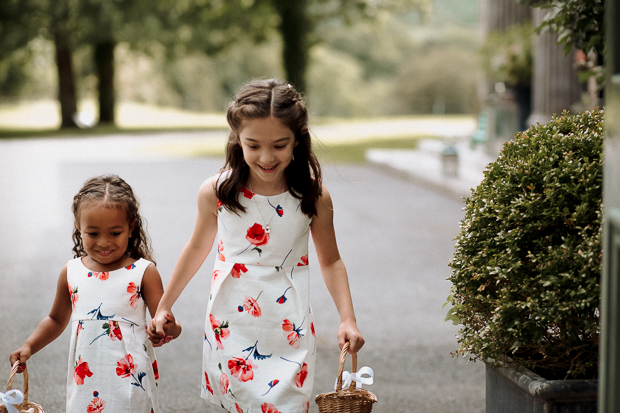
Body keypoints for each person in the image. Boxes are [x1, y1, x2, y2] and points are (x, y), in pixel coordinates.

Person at [148, 78, 364, 413]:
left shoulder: (312, 196)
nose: (266, 157)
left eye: (279, 145)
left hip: (289, 325)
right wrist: (164, 305)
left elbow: (332, 260)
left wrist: (347, 319)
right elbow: (195, 249)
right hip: (231, 323)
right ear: (238, 139)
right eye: (254, 145)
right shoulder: (217, 192)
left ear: (297, 140)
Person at [10, 174, 181, 413]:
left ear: (131, 228)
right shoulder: (71, 272)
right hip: (86, 381)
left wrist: (165, 329)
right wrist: (29, 346)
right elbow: (56, 319)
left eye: (114, 233)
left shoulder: (143, 272)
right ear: (79, 227)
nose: (103, 242)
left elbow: (166, 321)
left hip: (131, 380)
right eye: (93, 233)